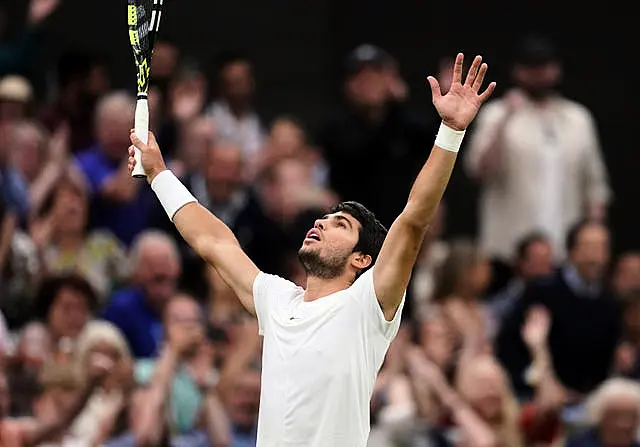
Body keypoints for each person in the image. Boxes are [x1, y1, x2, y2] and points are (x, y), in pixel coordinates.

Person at [128, 53, 496, 446]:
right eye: (324, 218)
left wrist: (451, 132)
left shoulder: (369, 304)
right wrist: (159, 174)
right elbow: (214, 241)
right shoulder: (277, 300)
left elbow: (414, 219)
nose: (320, 223)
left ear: (362, 259)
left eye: (341, 224)